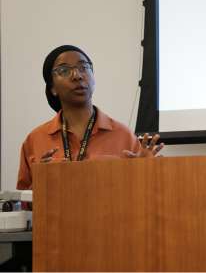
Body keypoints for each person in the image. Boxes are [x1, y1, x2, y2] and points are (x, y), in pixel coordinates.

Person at [16, 45, 163, 190]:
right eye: (64, 70)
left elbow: (139, 197)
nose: (77, 75)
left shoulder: (123, 135)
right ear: (52, 88)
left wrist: (145, 171)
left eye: (83, 67)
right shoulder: (34, 140)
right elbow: (21, 207)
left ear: (93, 78)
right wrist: (40, 184)